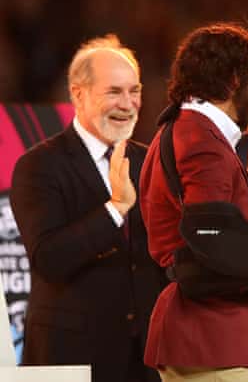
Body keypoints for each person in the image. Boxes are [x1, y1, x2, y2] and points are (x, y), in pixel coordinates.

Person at [139, 23, 248, 382]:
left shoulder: (184, 130)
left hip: (208, 335)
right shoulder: (200, 139)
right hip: (211, 339)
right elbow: (214, 240)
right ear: (231, 81)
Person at [10, 35, 165, 382]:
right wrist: (116, 208)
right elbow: (49, 257)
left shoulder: (149, 161)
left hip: (144, 362)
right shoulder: (38, 165)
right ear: (78, 94)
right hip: (70, 357)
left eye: (134, 90)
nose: (128, 104)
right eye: (114, 92)